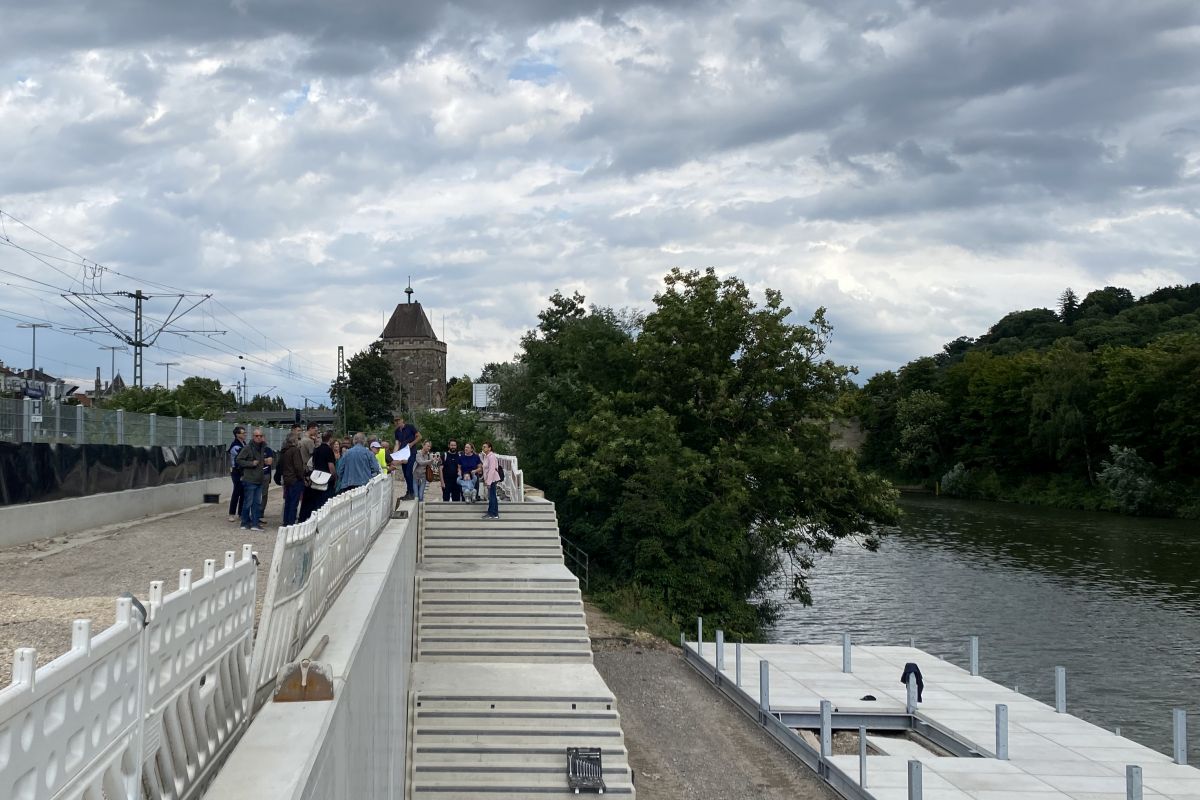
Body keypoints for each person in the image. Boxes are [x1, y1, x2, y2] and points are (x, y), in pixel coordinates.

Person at [235, 428, 269, 531]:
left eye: (261, 436)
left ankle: (254, 524)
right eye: (257, 436)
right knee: (248, 502)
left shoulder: (263, 447)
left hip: (259, 479)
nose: (259, 438)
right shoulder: (248, 448)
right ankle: (244, 523)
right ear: (253, 437)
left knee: (257, 503)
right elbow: (238, 460)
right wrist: (251, 463)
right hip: (249, 479)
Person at [300, 431, 337, 521]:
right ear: (330, 439)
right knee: (325, 502)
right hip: (326, 479)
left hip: (316, 478)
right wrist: (335, 476)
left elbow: (313, 463)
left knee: (316, 502)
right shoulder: (328, 451)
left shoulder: (316, 450)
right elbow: (331, 466)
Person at [279, 432, 306, 526]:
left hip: (287, 479)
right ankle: (291, 523)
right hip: (295, 479)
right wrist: (301, 477)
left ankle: (286, 522)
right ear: (295, 441)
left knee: (288, 502)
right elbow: (298, 466)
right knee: (294, 503)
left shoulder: (285, 451)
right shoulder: (295, 451)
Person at [392, 414, 422, 500]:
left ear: (402, 420)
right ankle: (408, 492)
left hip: (411, 452)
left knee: (409, 472)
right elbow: (397, 444)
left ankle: (412, 492)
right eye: (395, 421)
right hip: (403, 453)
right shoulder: (397, 431)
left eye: (398, 420)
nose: (397, 422)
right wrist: (394, 455)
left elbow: (419, 436)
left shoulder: (410, 427)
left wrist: (412, 444)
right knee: (405, 473)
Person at [226, 426, 247, 522]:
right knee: (237, 491)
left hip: (243, 470)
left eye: (245, 433)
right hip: (236, 471)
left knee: (243, 492)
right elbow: (242, 458)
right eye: (243, 433)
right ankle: (231, 513)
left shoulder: (243, 443)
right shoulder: (235, 446)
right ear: (237, 434)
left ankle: (241, 513)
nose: (245, 434)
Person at [479, 441, 501, 520]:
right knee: (492, 496)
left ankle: (493, 513)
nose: (483, 448)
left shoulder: (491, 456)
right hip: (489, 479)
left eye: (485, 447)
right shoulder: (486, 456)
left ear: (489, 448)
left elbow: (491, 470)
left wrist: (488, 482)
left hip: (492, 479)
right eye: (483, 447)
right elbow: (485, 469)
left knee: (492, 497)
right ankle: (492, 513)